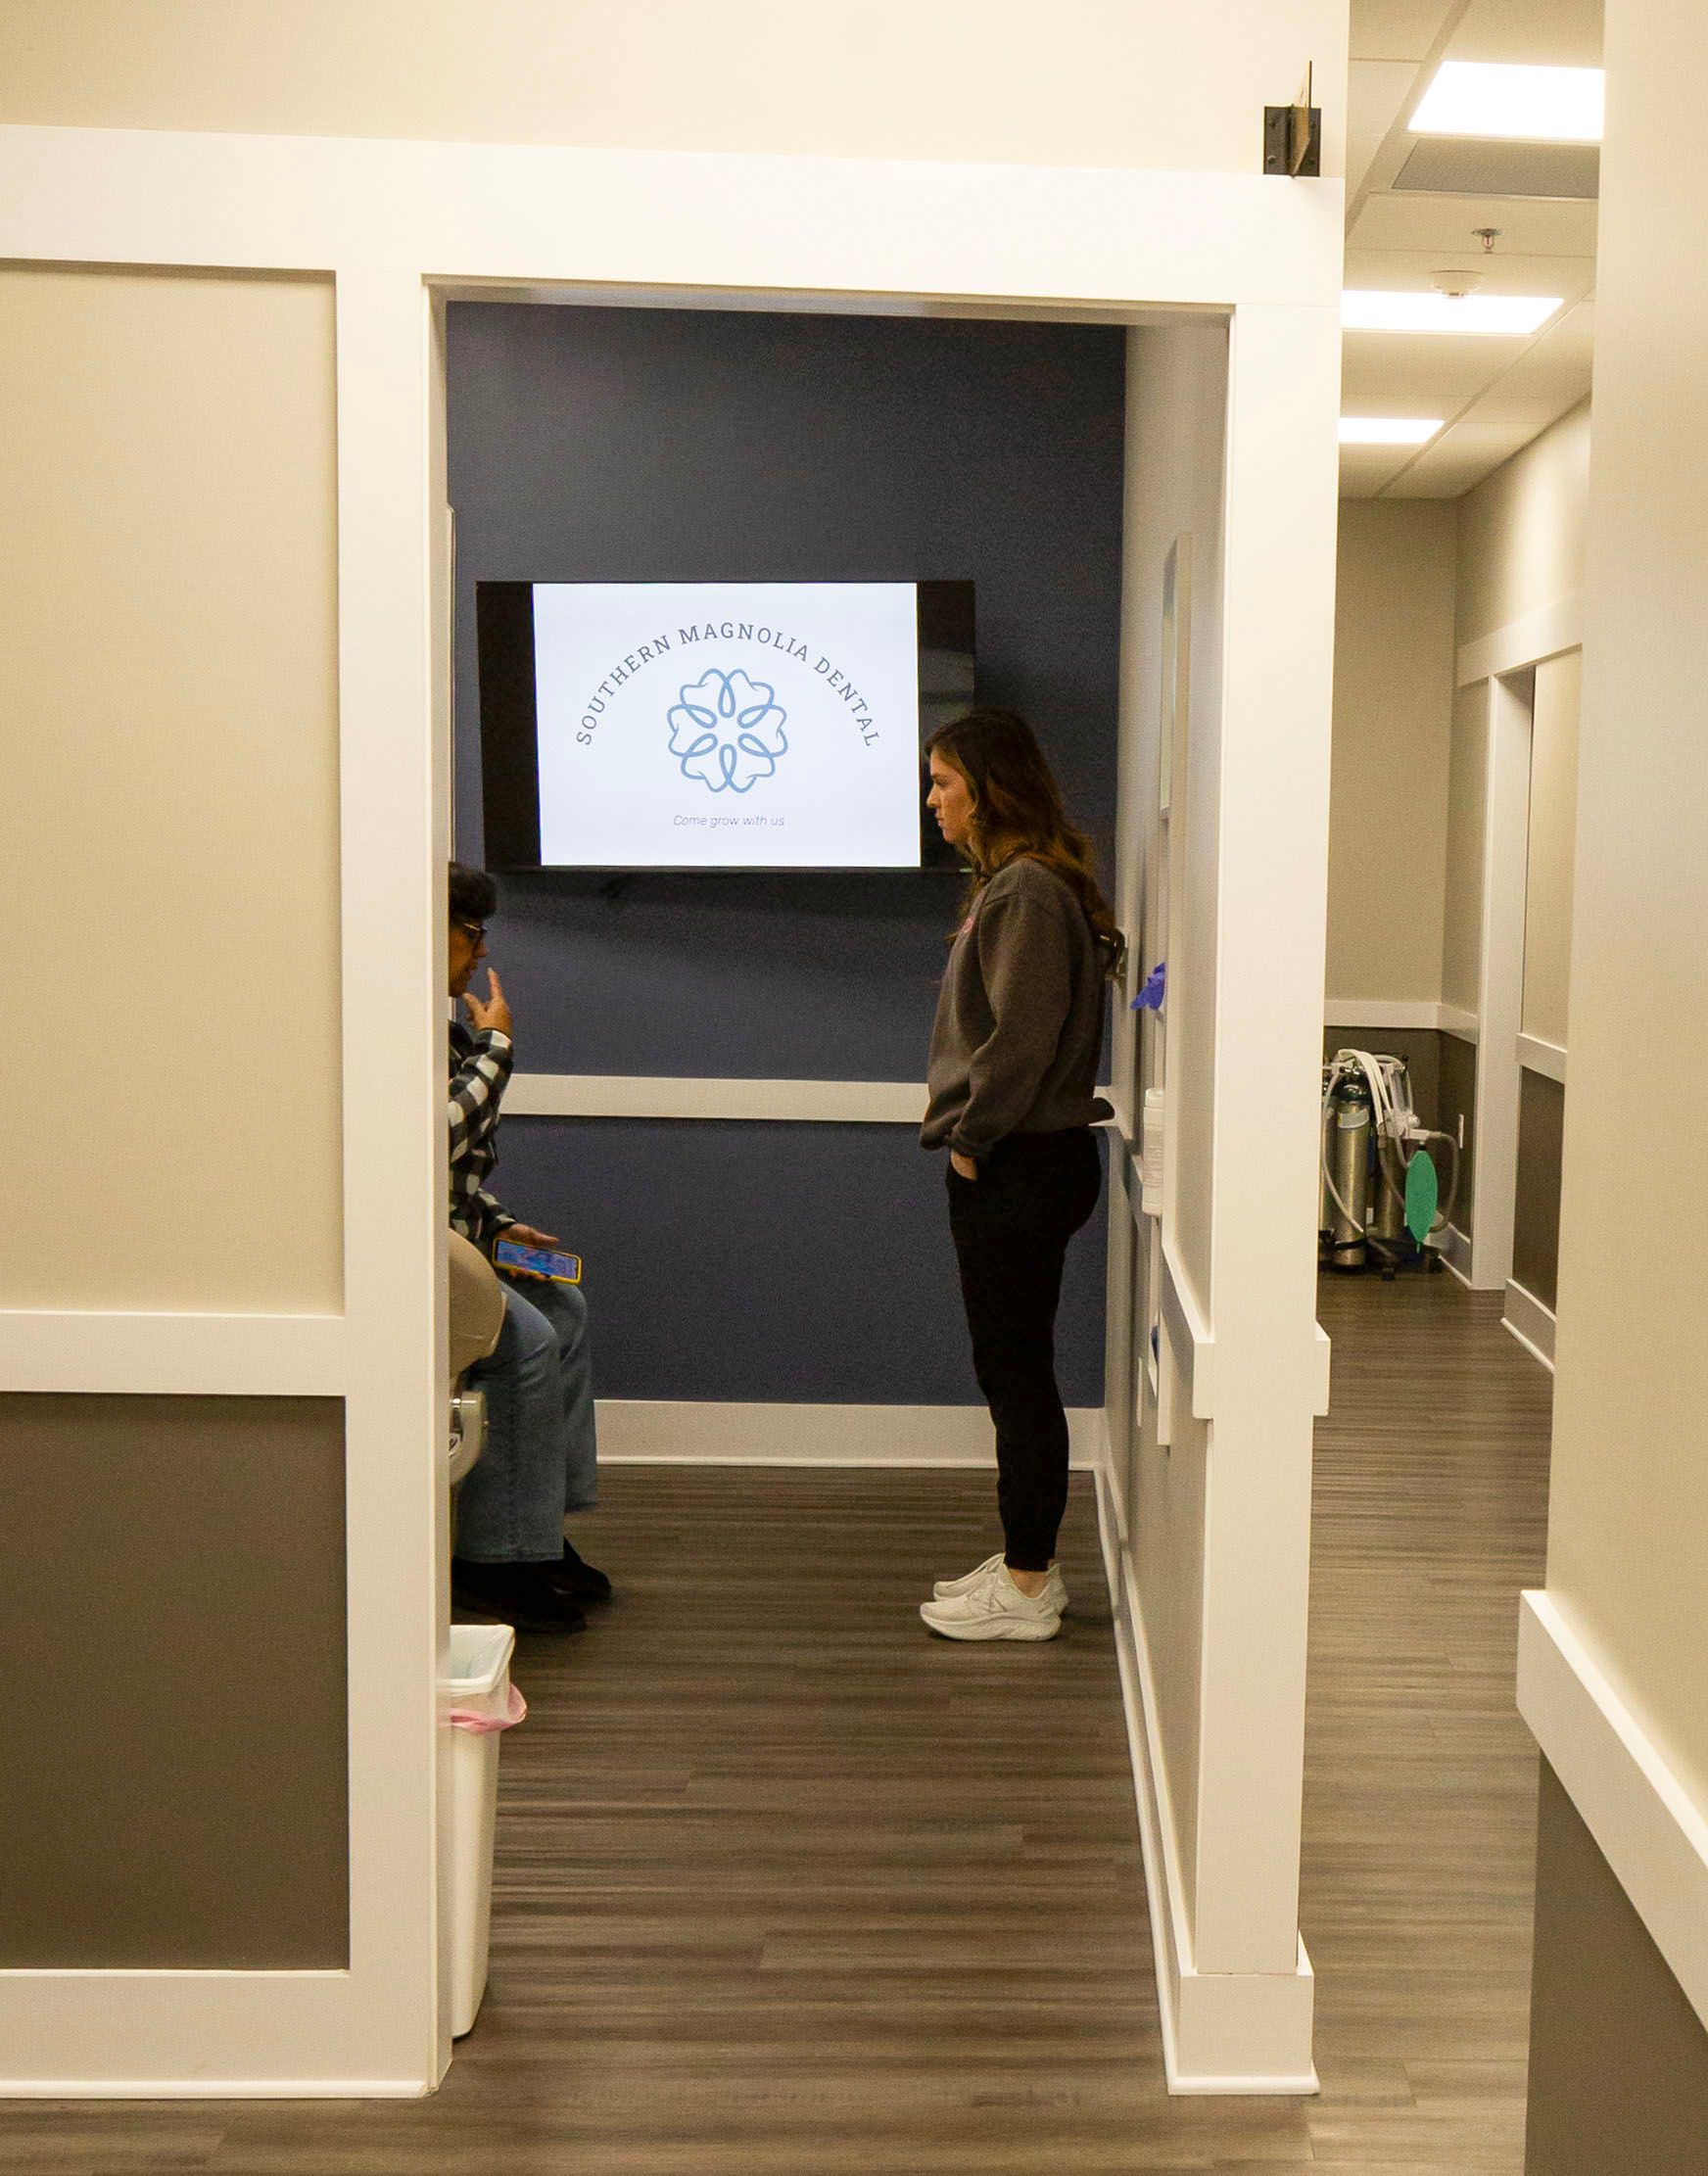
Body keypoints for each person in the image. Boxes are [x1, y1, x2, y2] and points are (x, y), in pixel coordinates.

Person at [916, 711, 1120, 1642]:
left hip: (1018, 1163)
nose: (933, 803)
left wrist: (972, 1140)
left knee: (1018, 1378)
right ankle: (1026, 1560)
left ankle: (1031, 1586)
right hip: (1030, 1160)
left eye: (944, 784)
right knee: (1013, 1372)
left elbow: (1019, 1041)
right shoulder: (1024, 886)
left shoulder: (1027, 892)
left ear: (989, 790)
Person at [448, 862, 609, 1634]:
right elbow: (430, 1139)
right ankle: (496, 1557)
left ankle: (539, 1532)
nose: (479, 953)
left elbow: (452, 1175)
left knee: (564, 1306)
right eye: (470, 934)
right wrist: (496, 1049)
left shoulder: (444, 1030)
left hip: (458, 1235)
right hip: (417, 1252)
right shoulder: (394, 1029)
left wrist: (498, 1222)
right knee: (527, 1342)